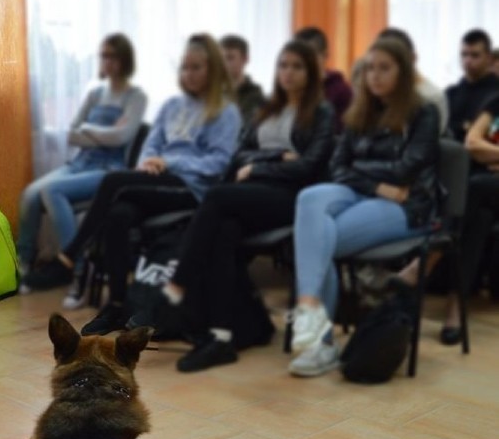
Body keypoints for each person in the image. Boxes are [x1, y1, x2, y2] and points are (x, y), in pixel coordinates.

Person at [130, 40, 334, 372]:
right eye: (283, 65)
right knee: (223, 231)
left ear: (311, 73)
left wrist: (259, 167)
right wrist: (273, 157)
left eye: (297, 66)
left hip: (292, 198)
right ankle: (222, 338)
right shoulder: (268, 109)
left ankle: (178, 285)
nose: (288, 73)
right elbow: (239, 154)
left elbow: (309, 167)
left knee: (215, 197)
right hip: (252, 192)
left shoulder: (322, 113)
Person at [25, 33, 241, 336]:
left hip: (193, 189)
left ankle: (70, 256)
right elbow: (151, 145)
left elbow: (217, 163)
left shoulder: (225, 112)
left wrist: (171, 163)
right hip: (159, 180)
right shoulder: (171, 106)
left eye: (196, 68)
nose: (189, 74)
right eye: (185, 68)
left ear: (213, 69)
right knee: (118, 214)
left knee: (115, 180)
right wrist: (150, 161)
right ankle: (115, 305)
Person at [289, 38, 440, 377]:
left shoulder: (424, 112)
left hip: (409, 206)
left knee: (317, 239)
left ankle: (319, 344)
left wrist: (366, 176)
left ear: (403, 72)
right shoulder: (360, 110)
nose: (374, 75)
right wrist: (375, 185)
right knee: (309, 199)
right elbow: (337, 167)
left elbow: (407, 169)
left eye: (384, 68)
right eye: (370, 67)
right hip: (369, 194)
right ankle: (314, 319)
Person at [17, 34, 147, 307]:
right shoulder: (95, 93)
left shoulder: (136, 97)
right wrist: (99, 132)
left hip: (107, 169)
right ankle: (24, 266)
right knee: (30, 194)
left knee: (52, 192)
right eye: (104, 55)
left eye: (112, 56)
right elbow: (72, 134)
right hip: (79, 163)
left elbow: (122, 137)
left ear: (124, 60)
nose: (106, 61)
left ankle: (76, 270)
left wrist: (90, 131)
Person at [396, 92, 499, 345]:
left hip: (481, 185)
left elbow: (481, 149)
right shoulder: (495, 101)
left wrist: (492, 154)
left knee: (473, 190)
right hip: (485, 189)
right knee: (479, 215)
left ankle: (424, 265)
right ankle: (455, 306)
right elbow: (472, 143)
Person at [378, 27, 449, 135]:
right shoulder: (380, 92)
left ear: (413, 58)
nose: (377, 73)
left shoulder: (430, 97)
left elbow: (426, 144)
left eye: (386, 66)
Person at [445, 29, 499, 143]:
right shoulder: (450, 93)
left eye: (475, 55)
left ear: (489, 58)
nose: (467, 61)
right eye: (464, 55)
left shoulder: (495, 94)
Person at [295, 26, 353, 131]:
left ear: (325, 55)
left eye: (310, 55)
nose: (304, 61)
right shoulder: (289, 87)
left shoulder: (341, 91)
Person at [220, 34, 266, 127]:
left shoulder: (257, 97)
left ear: (245, 59)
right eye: (220, 59)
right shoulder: (210, 93)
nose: (224, 64)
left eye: (230, 58)